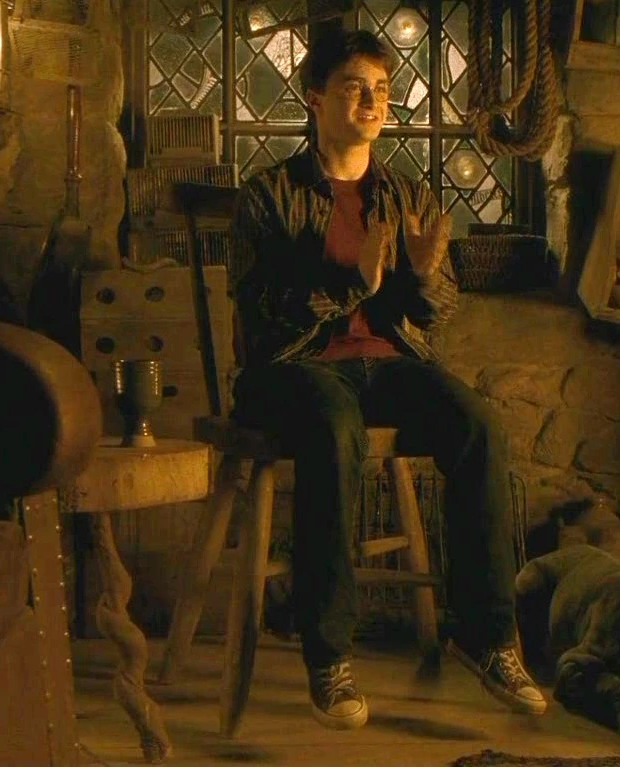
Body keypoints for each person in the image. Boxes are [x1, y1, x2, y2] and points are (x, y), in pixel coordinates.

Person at [228, 28, 546, 730]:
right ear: (315, 98)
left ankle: (489, 639)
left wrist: (426, 276)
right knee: (333, 425)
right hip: (293, 368)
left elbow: (436, 313)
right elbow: (260, 318)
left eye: (381, 89)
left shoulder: (406, 195)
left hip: (390, 363)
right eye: (353, 87)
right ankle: (329, 655)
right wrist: (350, 280)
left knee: (478, 424)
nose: (372, 101)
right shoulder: (267, 195)